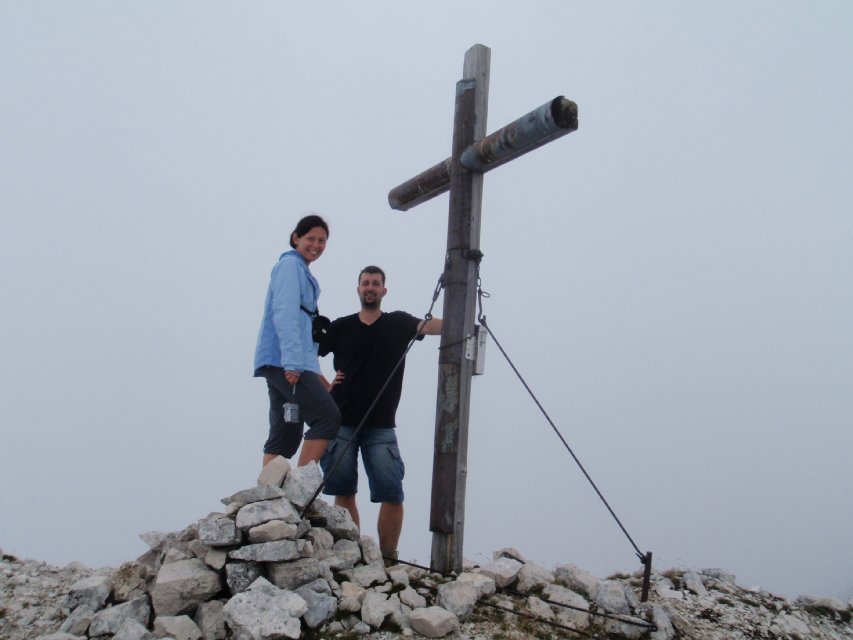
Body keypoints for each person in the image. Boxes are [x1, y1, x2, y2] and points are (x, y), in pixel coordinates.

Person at [318, 265, 441, 562]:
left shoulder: (397, 322)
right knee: (344, 492)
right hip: (342, 421)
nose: (370, 287)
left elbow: (429, 326)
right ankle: (352, 556)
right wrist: (324, 385)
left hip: (382, 425)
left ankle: (388, 559)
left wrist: (463, 322)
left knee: (392, 493)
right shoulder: (341, 327)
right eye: (365, 283)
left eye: (375, 283)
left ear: (384, 290)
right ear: (358, 289)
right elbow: (306, 352)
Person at [253, 214, 341, 468]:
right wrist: (292, 363)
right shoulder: (290, 267)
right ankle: (299, 489)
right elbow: (285, 314)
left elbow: (303, 331)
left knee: (286, 433)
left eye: (322, 240)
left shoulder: (299, 270)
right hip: (285, 362)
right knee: (327, 416)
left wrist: (315, 372)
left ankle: (269, 493)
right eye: (310, 238)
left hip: (283, 361)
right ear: (296, 238)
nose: (316, 245)